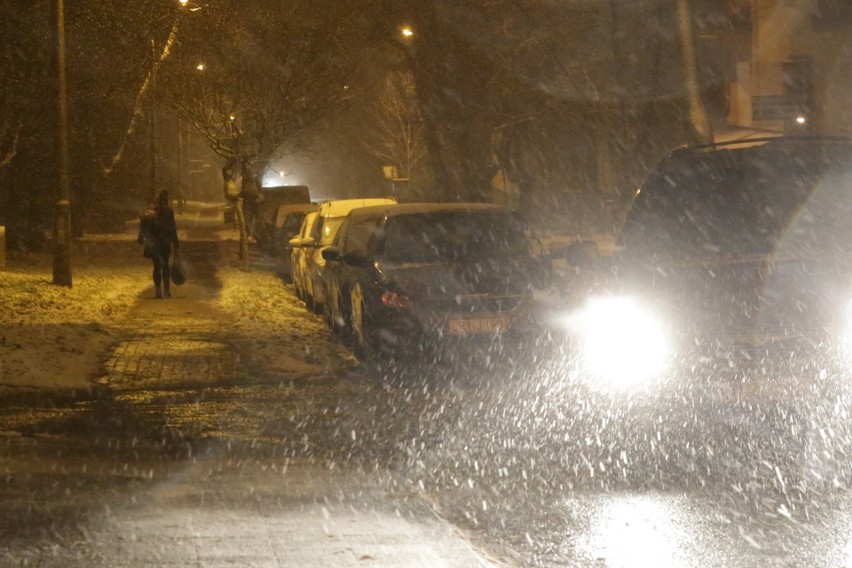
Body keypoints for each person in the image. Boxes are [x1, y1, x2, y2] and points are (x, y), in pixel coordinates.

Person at [138, 190, 180, 298]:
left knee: (157, 266)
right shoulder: (169, 211)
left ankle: (158, 289)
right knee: (165, 265)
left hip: (154, 243)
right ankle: (166, 290)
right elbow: (172, 228)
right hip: (165, 242)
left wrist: (142, 239)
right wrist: (175, 243)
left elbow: (145, 224)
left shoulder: (152, 211)